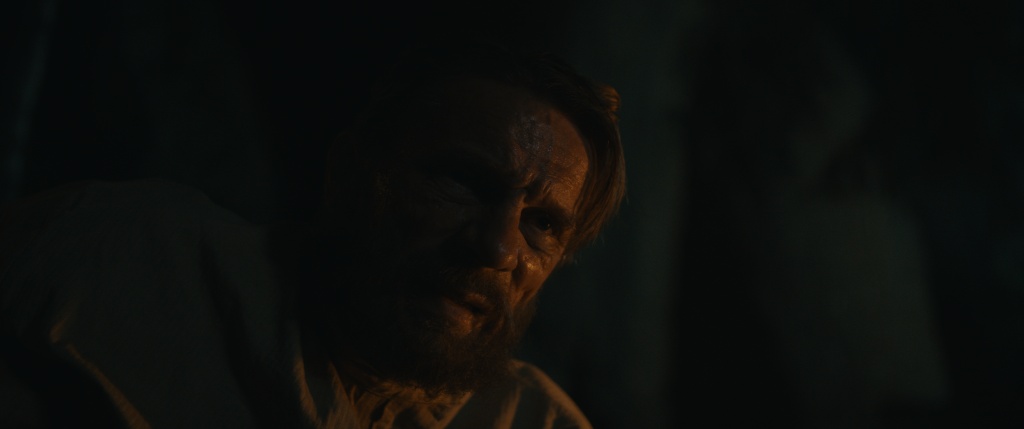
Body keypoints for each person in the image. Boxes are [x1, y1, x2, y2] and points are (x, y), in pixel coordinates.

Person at [0, 41, 625, 428]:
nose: (496, 247)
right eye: (462, 181)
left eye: (543, 225)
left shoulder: (536, 421)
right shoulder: (117, 256)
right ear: (350, 172)